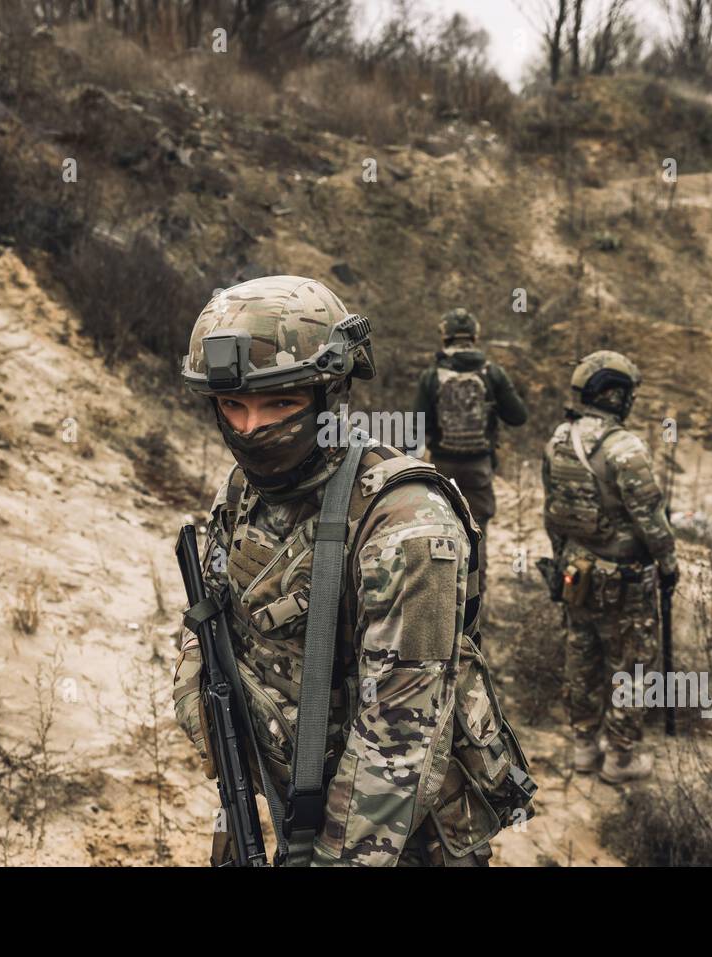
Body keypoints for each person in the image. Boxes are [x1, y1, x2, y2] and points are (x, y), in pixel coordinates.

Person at [172, 276, 532, 866]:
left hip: (400, 838)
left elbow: (399, 741)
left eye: (280, 404)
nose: (251, 429)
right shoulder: (240, 491)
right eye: (232, 406)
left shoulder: (406, 522)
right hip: (285, 802)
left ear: (329, 393)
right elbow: (208, 623)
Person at [541, 350, 678, 783]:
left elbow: (553, 512)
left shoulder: (559, 438)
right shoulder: (625, 447)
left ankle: (584, 748)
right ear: (615, 395)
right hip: (625, 578)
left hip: (576, 572)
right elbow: (652, 518)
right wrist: (669, 563)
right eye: (628, 394)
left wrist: (564, 557)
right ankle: (620, 758)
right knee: (632, 666)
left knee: (581, 655)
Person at [414, 308, 527, 592]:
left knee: (440, 534)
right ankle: (476, 608)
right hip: (479, 469)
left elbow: (417, 426)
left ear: (444, 337)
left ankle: (443, 598)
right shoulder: (492, 373)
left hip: (442, 469)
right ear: (475, 337)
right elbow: (518, 416)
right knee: (477, 535)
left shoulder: (431, 376)